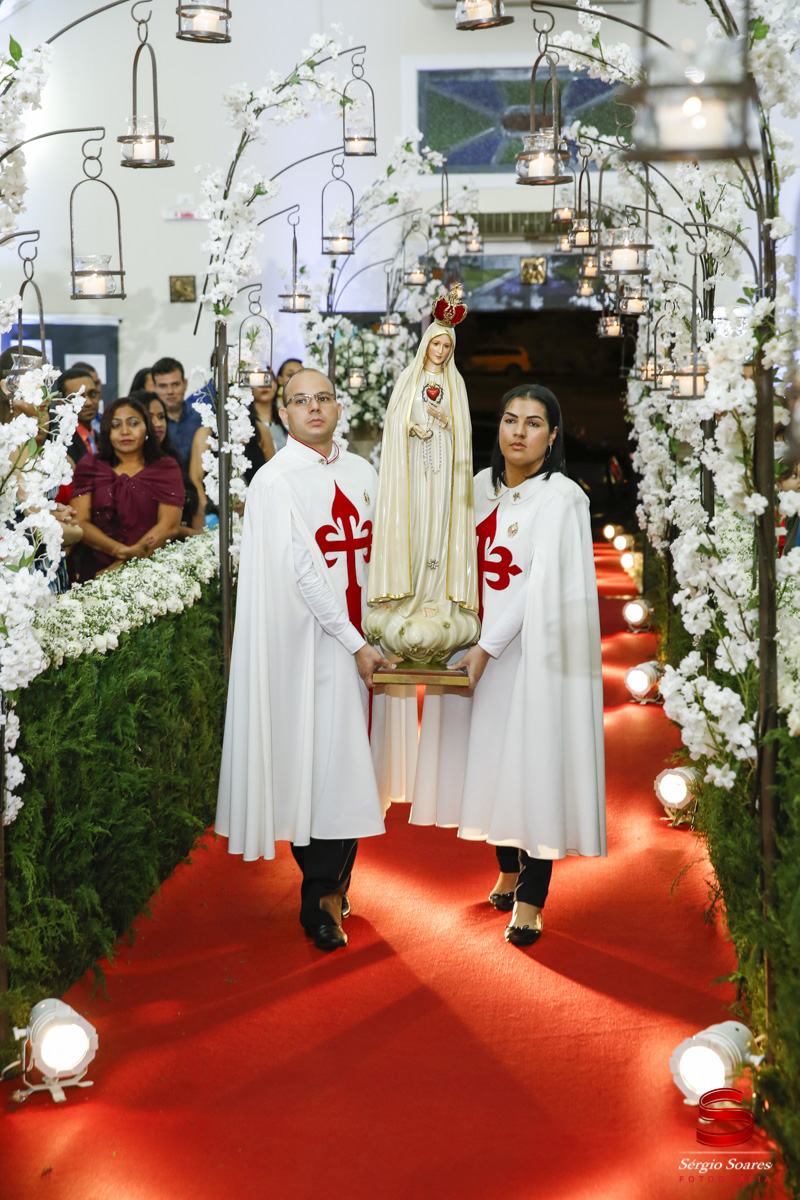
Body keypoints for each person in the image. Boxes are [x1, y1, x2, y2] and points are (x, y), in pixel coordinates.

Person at [411, 384, 606, 945]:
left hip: (529, 657)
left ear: (552, 436)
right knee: (491, 762)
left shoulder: (563, 497)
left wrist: (487, 647)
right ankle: (506, 867)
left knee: (532, 764)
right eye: (510, 420)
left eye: (534, 423)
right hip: (470, 648)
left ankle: (533, 895)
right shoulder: (476, 489)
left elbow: (536, 585)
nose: (519, 432)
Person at [216, 368, 390, 951]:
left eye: (322, 398)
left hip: (366, 639)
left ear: (339, 408)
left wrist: (387, 632)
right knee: (314, 763)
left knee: (351, 762)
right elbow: (301, 571)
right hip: (307, 646)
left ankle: (332, 889)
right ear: (283, 413)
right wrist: (353, 641)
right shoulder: (274, 480)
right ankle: (319, 897)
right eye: (299, 401)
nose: (312, 408)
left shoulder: (364, 472)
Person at [363, 290, 480, 667]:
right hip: (412, 473)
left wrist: (444, 422)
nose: (442, 352)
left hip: (443, 473)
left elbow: (462, 428)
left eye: (448, 346)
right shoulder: (408, 381)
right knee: (414, 528)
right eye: (437, 344)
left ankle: (436, 598)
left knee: (438, 528)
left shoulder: (456, 384)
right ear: (426, 343)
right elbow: (393, 422)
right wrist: (411, 426)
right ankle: (408, 598)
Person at [69, 395, 184, 581]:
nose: (124, 431)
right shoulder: (90, 466)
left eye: (133, 423)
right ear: (106, 431)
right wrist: (120, 551)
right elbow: (80, 523)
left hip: (153, 571)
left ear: (147, 428)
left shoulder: (165, 467)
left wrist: (124, 563)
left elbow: (169, 526)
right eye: (115, 425)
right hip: (98, 573)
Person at [140, 390, 203, 537]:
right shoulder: (129, 466)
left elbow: (193, 501)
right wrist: (188, 533)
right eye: (150, 418)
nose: (158, 424)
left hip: (186, 550)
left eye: (161, 417)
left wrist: (199, 538)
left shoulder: (172, 459)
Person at [152, 356, 200, 464]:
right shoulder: (149, 424)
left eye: (175, 384)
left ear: (185, 384)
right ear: (154, 388)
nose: (170, 391)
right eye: (163, 386)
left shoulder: (202, 419)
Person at [56, 368, 99, 466]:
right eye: (78, 397)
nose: (88, 403)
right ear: (61, 402)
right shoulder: (59, 442)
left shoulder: (103, 439)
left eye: (92, 394)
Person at [244, 375, 278, 483]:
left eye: (267, 380)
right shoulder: (250, 427)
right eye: (258, 381)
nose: (264, 386)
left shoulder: (289, 418)